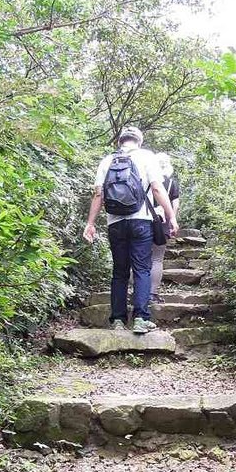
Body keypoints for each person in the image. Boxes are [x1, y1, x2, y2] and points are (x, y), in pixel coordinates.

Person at [83, 126, 179, 334]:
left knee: (119, 272)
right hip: (140, 220)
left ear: (120, 141)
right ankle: (140, 319)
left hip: (115, 223)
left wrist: (90, 223)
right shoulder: (147, 157)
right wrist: (171, 217)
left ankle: (117, 320)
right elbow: (156, 188)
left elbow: (98, 195)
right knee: (142, 269)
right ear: (139, 141)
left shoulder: (107, 161)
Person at [149, 152, 180, 303]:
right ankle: (152, 293)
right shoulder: (171, 183)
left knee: (138, 258)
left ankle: (137, 292)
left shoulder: (146, 178)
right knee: (157, 259)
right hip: (161, 223)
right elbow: (175, 204)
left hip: (141, 220)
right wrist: (171, 221)